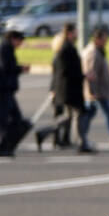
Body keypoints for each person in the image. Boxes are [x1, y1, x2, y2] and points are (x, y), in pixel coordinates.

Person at [36, 23, 92, 153]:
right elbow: (68, 72)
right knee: (78, 115)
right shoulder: (67, 50)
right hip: (69, 89)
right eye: (75, 32)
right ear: (69, 33)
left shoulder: (66, 48)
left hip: (67, 89)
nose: (77, 34)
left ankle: (44, 133)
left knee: (69, 117)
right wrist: (84, 76)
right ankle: (82, 144)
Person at [0, 30, 32, 157]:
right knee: (3, 120)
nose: (20, 44)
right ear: (13, 38)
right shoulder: (4, 49)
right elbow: (7, 67)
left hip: (4, 90)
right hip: (1, 91)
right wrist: (21, 68)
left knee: (15, 119)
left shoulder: (4, 48)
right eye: (19, 40)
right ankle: (0, 147)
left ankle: (6, 145)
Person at [82, 25, 109, 148]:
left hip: (101, 90)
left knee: (94, 114)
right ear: (98, 39)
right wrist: (92, 91)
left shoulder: (99, 50)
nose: (106, 41)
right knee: (98, 114)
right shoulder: (93, 53)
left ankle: (84, 136)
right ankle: (83, 136)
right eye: (104, 39)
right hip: (97, 91)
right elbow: (90, 73)